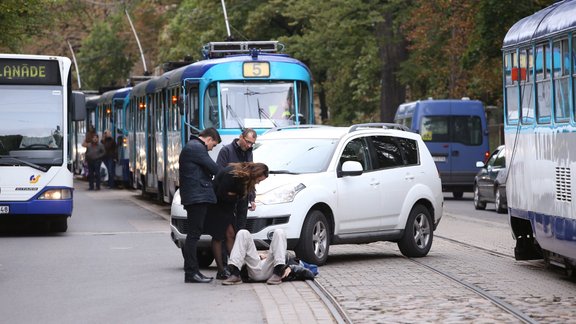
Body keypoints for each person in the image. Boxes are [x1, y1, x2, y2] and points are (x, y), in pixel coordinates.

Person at [204, 162, 269, 280]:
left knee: (232, 234)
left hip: (226, 208)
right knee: (218, 237)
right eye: (259, 180)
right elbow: (221, 194)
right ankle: (221, 270)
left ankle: (235, 267)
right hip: (216, 206)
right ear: (255, 174)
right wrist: (234, 196)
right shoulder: (233, 174)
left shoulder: (246, 180)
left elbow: (242, 207)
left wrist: (241, 230)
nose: (258, 183)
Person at [179, 127, 222, 283]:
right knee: (193, 235)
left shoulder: (192, 147)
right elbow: (214, 168)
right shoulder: (197, 148)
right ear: (209, 139)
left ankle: (192, 272)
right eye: (214, 145)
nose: (212, 148)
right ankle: (191, 273)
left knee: (194, 235)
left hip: (195, 196)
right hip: (196, 197)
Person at [216, 128, 257, 231]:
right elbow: (219, 174)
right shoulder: (226, 151)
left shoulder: (249, 152)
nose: (249, 145)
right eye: (247, 142)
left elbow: (250, 175)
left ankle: (238, 246)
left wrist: (252, 197)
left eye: (252, 143)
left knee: (240, 229)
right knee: (227, 231)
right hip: (228, 198)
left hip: (243, 197)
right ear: (240, 137)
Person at [222, 228, 287, 286]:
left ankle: (277, 272)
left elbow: (291, 257)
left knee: (279, 231)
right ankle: (235, 273)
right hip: (254, 267)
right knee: (243, 232)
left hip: (271, 267)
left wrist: (267, 255)